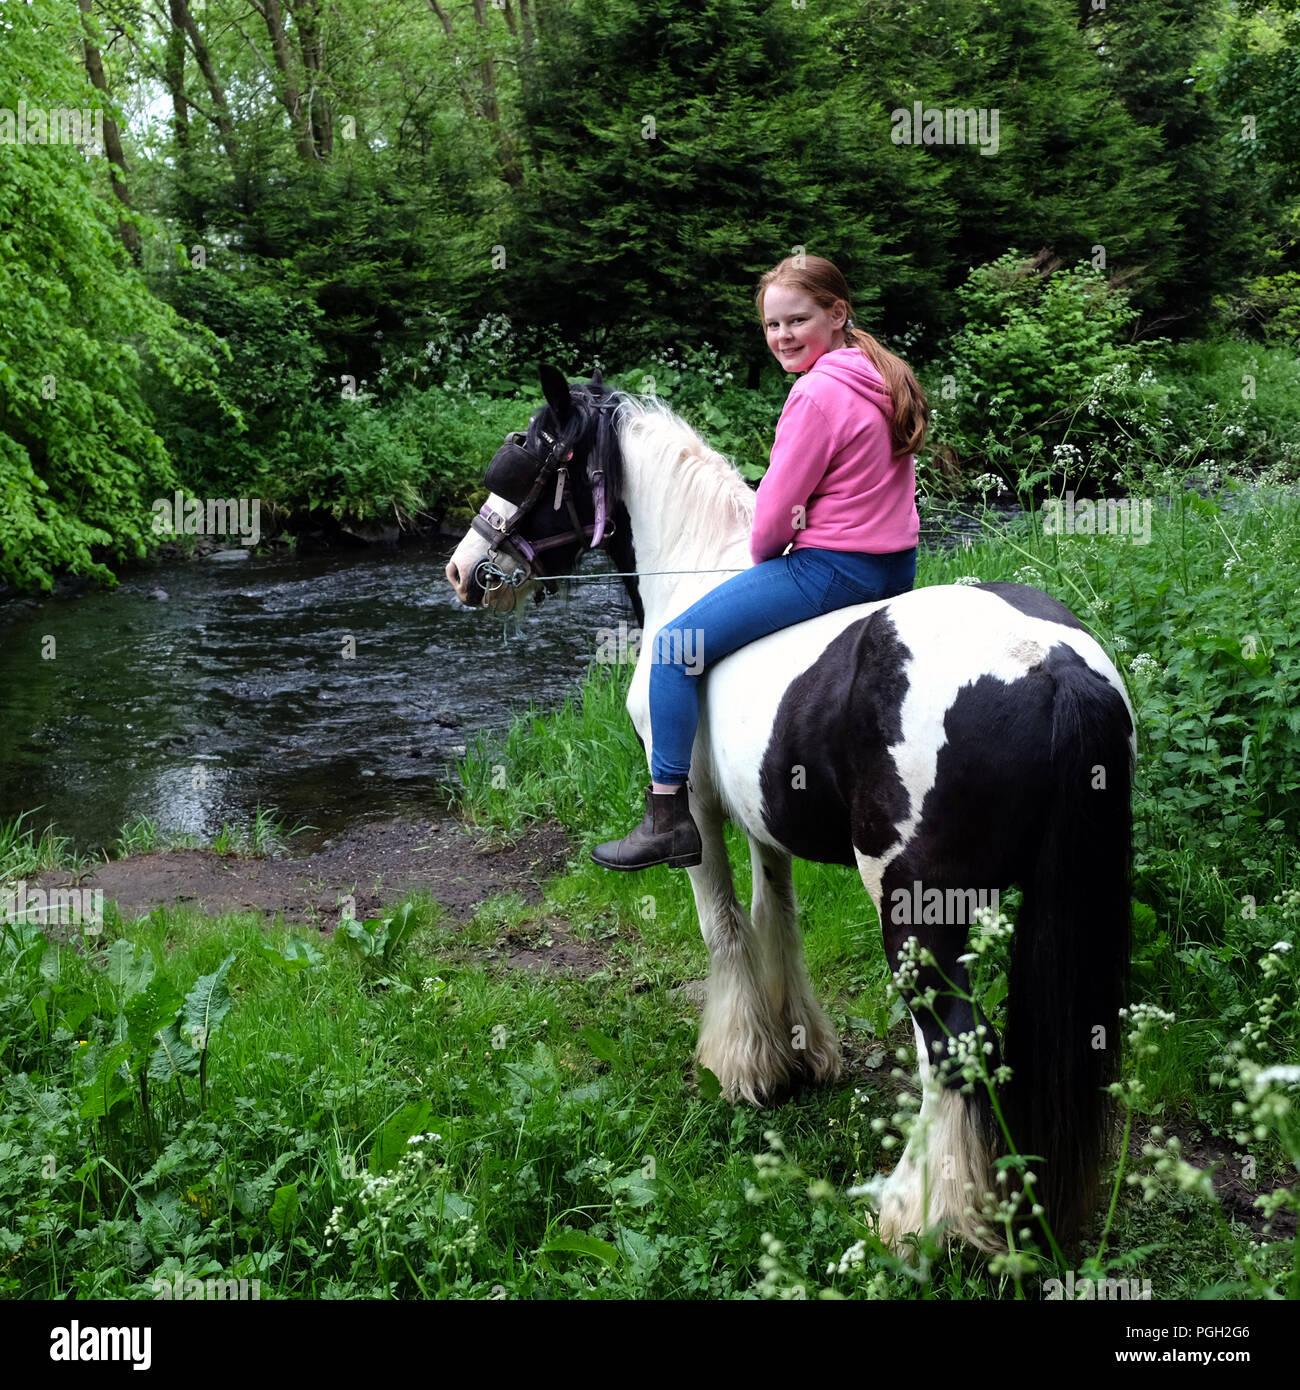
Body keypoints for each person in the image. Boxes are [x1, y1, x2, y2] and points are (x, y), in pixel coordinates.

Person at [590, 255, 927, 871]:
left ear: (837, 313)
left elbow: (773, 517)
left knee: (673, 647)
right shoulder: (881, 374)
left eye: (797, 320)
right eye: (772, 326)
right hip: (894, 569)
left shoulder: (815, 393)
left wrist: (768, 557)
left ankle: (667, 815)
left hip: (831, 571)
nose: (783, 337)